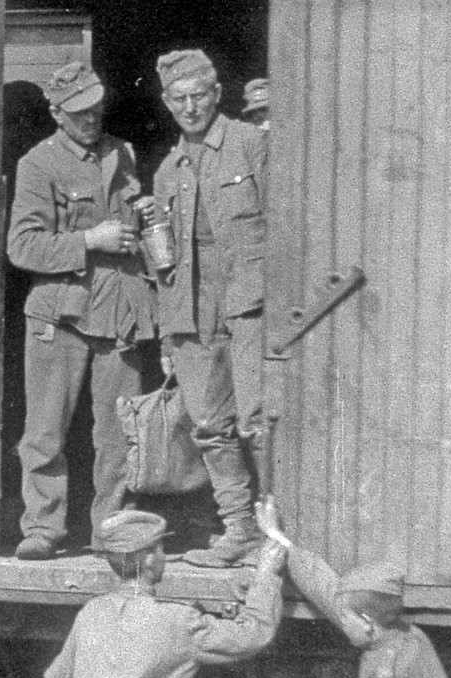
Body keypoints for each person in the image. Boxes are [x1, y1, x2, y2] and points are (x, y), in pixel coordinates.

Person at [7, 61, 157, 560]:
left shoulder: (123, 153)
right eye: (78, 111)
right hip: (61, 315)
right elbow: (22, 246)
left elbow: (131, 228)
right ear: (56, 113)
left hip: (119, 312)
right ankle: (43, 528)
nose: (91, 117)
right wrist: (90, 240)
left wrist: (147, 217)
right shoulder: (38, 164)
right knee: (45, 432)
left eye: (95, 107)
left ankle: (112, 531)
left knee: (119, 435)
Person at [151, 49, 269, 568]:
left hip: (250, 301)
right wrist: (165, 337)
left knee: (259, 420)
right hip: (192, 309)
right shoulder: (167, 171)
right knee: (208, 426)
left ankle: (280, 528)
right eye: (179, 99)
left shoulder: (250, 144)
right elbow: (162, 265)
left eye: (199, 95)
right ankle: (240, 529)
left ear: (217, 94)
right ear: (166, 102)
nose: (190, 107)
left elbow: (288, 225)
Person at [44, 509, 288, 678]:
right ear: (149, 560)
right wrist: (266, 575)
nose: (163, 555)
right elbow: (252, 636)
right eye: (162, 548)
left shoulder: (92, 611)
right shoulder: (179, 619)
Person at [258, 498, 451, 678]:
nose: (341, 621)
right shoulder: (401, 634)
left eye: (346, 619)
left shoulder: (387, 673)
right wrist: (280, 539)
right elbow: (327, 591)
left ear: (367, 621)